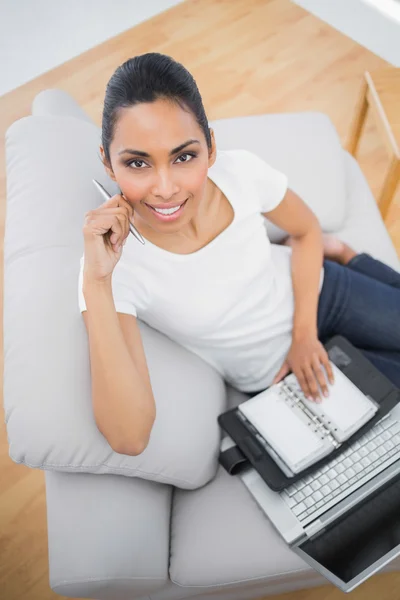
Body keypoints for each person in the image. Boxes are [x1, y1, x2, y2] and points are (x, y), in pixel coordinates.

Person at [79, 53, 400, 453]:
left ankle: (346, 257)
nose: (165, 188)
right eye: (138, 163)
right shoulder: (109, 267)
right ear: (108, 164)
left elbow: (306, 228)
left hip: (320, 292)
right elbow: (130, 437)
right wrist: (95, 283)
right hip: (276, 371)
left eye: (184, 157)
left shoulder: (241, 173)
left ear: (211, 148)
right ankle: (348, 256)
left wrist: (303, 334)